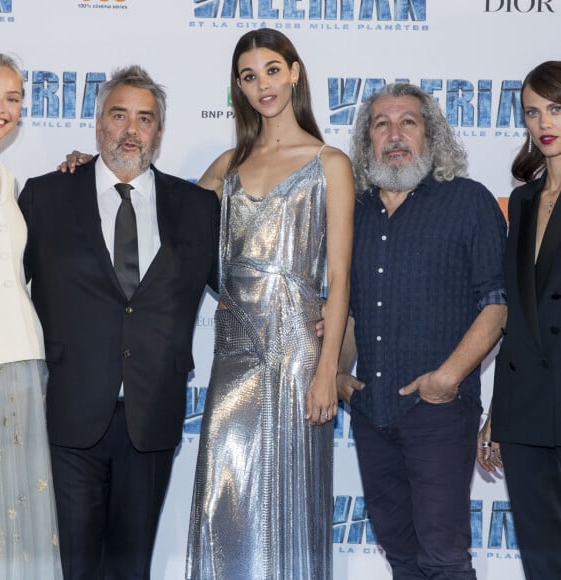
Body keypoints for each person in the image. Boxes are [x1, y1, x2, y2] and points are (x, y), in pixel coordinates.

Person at [18, 65, 220, 580]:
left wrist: (315, 317)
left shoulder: (197, 207)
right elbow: (1, 287)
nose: (132, 129)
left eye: (145, 119)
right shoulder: (46, 197)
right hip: (70, 413)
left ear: (159, 132)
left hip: (152, 415)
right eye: (119, 115)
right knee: (75, 568)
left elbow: (240, 290)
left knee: (132, 570)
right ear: (98, 125)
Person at [185, 28, 354, 579]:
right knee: (223, 496)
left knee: (289, 493)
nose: (263, 85)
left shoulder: (329, 163)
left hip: (296, 352)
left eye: (273, 70)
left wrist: (327, 368)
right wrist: (92, 168)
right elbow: (169, 215)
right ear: (237, 87)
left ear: (295, 72)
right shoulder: (228, 164)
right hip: (234, 351)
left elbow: (340, 276)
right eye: (249, 76)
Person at [337, 82, 507, 579]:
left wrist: (447, 378)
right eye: (381, 124)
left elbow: (497, 306)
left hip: (438, 413)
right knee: (400, 553)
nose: (395, 135)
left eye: (408, 122)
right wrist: (340, 377)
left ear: (430, 135)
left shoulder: (467, 201)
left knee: (443, 555)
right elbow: (348, 308)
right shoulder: (354, 211)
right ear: (366, 138)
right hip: (371, 411)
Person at [477, 60, 561, 580]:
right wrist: (496, 413)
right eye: (532, 112)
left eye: (555, 108)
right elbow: (514, 314)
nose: (543, 122)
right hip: (527, 405)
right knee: (541, 556)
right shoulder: (524, 200)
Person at [0, 51, 62, 579]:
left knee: (18, 515)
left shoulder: (9, 183)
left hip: (24, 363)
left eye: (13, 99)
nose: (0, 109)